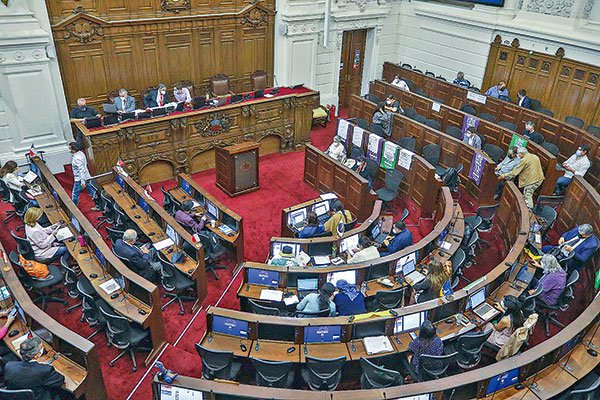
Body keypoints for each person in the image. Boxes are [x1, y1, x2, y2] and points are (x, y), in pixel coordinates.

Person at [68, 142, 96, 208]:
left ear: (74, 149)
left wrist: (82, 181)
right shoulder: (81, 153)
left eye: (70, 149)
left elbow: (81, 170)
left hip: (80, 179)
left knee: (75, 194)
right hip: (87, 176)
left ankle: (74, 208)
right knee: (92, 192)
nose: (69, 150)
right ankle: (99, 205)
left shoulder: (77, 158)